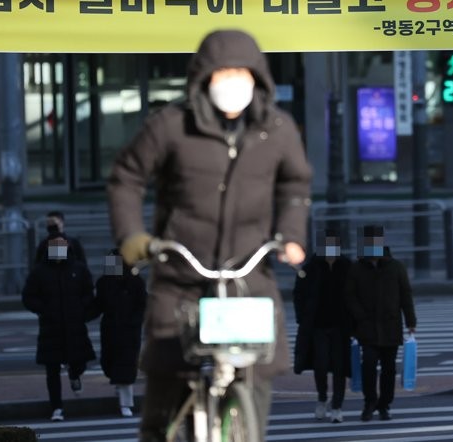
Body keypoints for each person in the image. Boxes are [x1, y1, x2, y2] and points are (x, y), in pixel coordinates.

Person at [107, 29, 312, 442]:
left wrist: (290, 236)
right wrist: (133, 236)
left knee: (257, 369)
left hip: (248, 270)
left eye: (242, 72)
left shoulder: (277, 128)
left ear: (258, 78)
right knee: (168, 372)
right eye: (223, 73)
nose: (233, 81)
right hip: (182, 270)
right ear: (203, 78)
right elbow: (126, 177)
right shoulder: (170, 125)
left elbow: (295, 184)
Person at [21, 211, 96, 422]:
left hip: (73, 323)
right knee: (51, 368)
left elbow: (88, 291)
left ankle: (74, 375)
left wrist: (83, 311)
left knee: (78, 359)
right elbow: (28, 296)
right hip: (51, 326)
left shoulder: (78, 268)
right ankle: (57, 407)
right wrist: (43, 309)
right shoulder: (40, 271)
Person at [344, 226, 417, 422]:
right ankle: (370, 402)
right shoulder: (357, 268)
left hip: (390, 326)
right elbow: (349, 296)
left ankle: (384, 405)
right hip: (366, 327)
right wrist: (359, 317)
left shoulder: (395, 267)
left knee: (389, 368)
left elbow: (405, 295)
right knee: (368, 364)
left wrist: (411, 321)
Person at [293, 229, 353, 424]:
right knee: (320, 365)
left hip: (341, 327)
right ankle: (321, 398)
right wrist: (302, 317)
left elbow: (356, 294)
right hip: (317, 326)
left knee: (339, 368)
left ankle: (337, 406)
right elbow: (298, 293)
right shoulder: (311, 267)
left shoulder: (346, 266)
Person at [90, 248, 147, 418]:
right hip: (111, 329)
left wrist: (135, 322)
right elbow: (98, 304)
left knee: (126, 367)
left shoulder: (135, 282)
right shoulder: (105, 283)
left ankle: (126, 404)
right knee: (111, 364)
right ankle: (122, 395)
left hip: (128, 330)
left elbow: (142, 305)